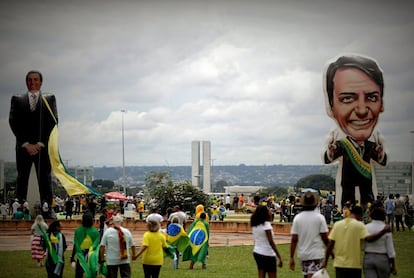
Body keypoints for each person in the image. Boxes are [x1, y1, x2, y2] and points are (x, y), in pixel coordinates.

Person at [322, 54, 387, 207]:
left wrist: (380, 153)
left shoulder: (373, 143)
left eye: (371, 97)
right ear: (331, 106)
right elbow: (328, 158)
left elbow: (382, 160)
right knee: (347, 203)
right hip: (347, 183)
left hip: (366, 182)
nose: (362, 111)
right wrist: (330, 152)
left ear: (381, 104)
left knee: (368, 201)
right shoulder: (341, 142)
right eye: (347, 98)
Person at [9, 70, 58, 211]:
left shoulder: (49, 99)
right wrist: (26, 144)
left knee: (44, 177)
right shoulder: (17, 99)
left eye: (36, 79)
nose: (33, 82)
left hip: (42, 147)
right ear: (26, 82)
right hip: (23, 147)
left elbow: (53, 122)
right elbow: (13, 122)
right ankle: (20, 205)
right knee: (22, 177)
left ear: (41, 82)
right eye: (30, 80)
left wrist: (39, 143)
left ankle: (47, 206)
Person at [323, 206, 391, 278]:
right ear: (359, 214)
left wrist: (326, 260)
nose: (361, 219)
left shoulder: (337, 224)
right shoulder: (359, 225)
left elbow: (331, 244)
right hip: (354, 264)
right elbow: (369, 239)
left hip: (339, 264)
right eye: (361, 217)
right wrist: (383, 231)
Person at [290, 191, 329, 278]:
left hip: (303, 255)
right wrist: (331, 250)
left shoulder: (297, 218)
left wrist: (291, 257)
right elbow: (325, 238)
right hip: (316, 254)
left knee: (307, 275)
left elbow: (294, 239)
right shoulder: (320, 218)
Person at [363, 206, 397, 277]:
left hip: (368, 256)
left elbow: (363, 245)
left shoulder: (366, 227)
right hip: (382, 257)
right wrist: (393, 265)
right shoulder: (386, 228)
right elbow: (390, 249)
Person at [251, 205, 283, 278]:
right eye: (268, 210)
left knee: (261, 274)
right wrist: (279, 257)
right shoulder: (266, 224)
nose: (270, 211)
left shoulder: (255, 224)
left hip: (257, 252)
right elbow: (271, 242)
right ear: (265, 213)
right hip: (268, 254)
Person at [71, 213, 100, 278]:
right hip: (92, 257)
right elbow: (97, 247)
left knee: (79, 274)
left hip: (81, 256)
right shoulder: (95, 232)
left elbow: (76, 244)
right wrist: (100, 260)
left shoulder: (78, 231)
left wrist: (72, 257)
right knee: (92, 273)